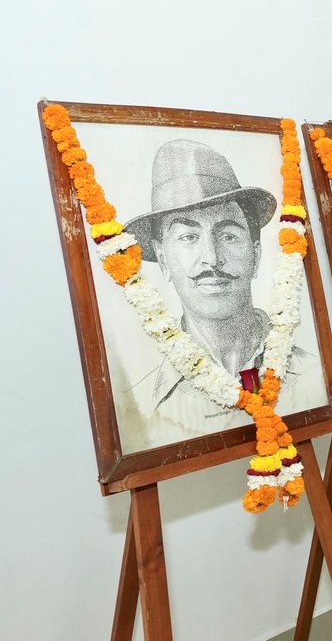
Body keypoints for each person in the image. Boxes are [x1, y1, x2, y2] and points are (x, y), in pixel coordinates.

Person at [124, 139, 320, 444]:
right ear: (163, 259)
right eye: (189, 236)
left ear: (256, 255)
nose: (212, 259)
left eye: (228, 234)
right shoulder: (144, 410)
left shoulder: (316, 377)